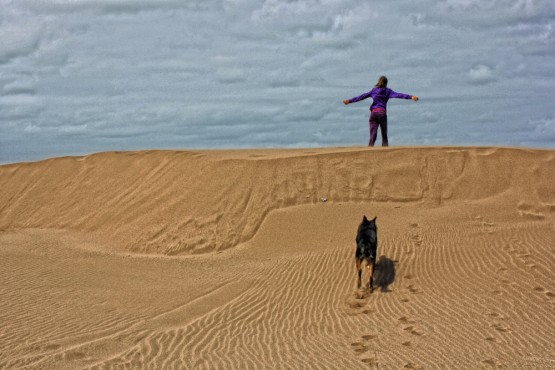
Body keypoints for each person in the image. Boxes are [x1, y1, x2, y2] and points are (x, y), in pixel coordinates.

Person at [343, 76, 419, 147]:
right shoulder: (388, 91)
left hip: (374, 114)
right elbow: (399, 95)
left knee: (373, 134)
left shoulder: (374, 90)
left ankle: (369, 149)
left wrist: (349, 101)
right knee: (384, 134)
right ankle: (385, 151)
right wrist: (411, 97)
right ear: (386, 83)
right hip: (382, 113)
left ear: (378, 82)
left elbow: (362, 96)